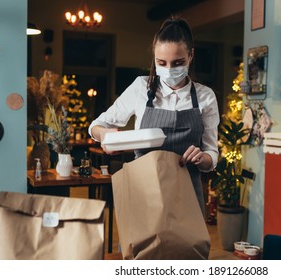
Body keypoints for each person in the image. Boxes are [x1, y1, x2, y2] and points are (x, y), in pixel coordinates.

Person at [88, 16, 220, 213]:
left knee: (186, 245)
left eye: (178, 62)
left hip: (187, 194)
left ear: (191, 55)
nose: (169, 70)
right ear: (155, 59)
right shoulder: (141, 87)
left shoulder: (205, 97)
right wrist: (105, 135)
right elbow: (96, 126)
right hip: (144, 192)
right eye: (162, 62)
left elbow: (212, 154)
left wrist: (203, 158)